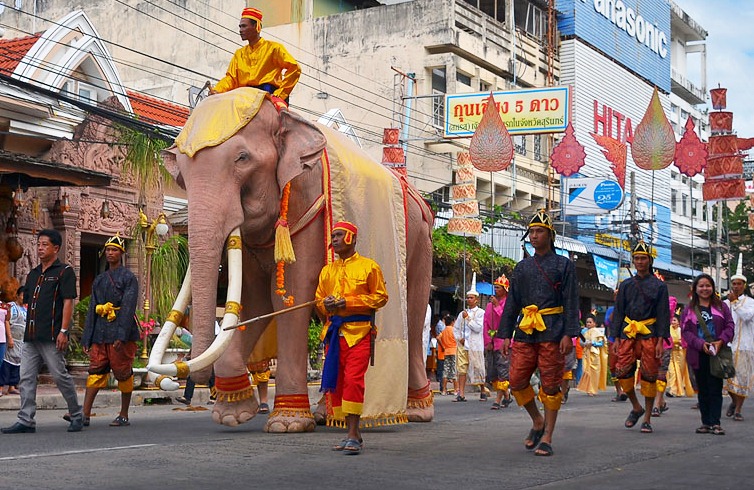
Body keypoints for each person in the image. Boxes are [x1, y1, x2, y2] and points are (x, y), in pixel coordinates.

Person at [497, 209, 579, 456]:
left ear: (550, 235)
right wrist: (504, 335)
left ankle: (548, 436)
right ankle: (537, 421)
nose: (534, 236)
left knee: (551, 384)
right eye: (531, 232)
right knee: (516, 379)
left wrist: (569, 334)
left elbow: (571, 302)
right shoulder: (522, 267)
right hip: (525, 331)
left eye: (539, 231)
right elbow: (512, 303)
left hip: (553, 331)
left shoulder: (564, 265)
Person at [317, 221, 388, 456]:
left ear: (352, 238)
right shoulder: (327, 271)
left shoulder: (369, 267)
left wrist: (348, 302)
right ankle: (353, 433)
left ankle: (352, 436)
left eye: (339, 235)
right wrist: (324, 304)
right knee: (337, 383)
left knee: (353, 380)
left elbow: (380, 297)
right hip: (334, 334)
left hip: (359, 332)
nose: (334, 239)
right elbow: (318, 300)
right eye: (333, 236)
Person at [1, 229, 83, 434]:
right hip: (31, 335)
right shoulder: (34, 274)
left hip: (52, 334)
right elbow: (26, 302)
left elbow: (67, 302)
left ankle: (76, 414)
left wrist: (64, 330)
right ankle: (26, 420)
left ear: (56, 248)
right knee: (26, 376)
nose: (40, 247)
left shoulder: (64, 272)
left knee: (59, 375)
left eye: (44, 244)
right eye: (38, 244)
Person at [79, 234, 140, 427]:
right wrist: (86, 337)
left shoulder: (129, 278)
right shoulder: (100, 279)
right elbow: (92, 309)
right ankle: (84, 414)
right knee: (95, 371)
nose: (110, 253)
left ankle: (124, 414)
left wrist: (121, 335)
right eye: (108, 250)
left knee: (123, 372)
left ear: (121, 253)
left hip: (121, 332)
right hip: (100, 331)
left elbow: (129, 307)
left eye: (114, 250)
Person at [610, 241, 670, 435]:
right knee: (622, 372)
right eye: (636, 258)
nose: (640, 261)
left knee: (649, 375)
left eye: (643, 258)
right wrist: (615, 338)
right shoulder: (626, 285)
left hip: (650, 334)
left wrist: (661, 340)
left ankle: (647, 418)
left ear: (650, 260)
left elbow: (663, 314)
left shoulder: (659, 286)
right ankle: (636, 406)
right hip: (628, 333)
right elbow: (618, 312)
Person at [681, 274, 735, 436]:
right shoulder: (689, 309)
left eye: (708, 285)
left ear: (712, 288)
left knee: (715, 388)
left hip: (716, 354)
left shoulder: (721, 307)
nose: (705, 289)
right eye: (701, 286)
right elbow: (686, 332)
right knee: (703, 389)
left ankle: (716, 423)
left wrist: (720, 342)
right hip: (698, 354)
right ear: (695, 289)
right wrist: (700, 344)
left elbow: (730, 326)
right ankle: (706, 422)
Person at [211, 7, 301, 103]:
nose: (240, 30)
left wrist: (280, 94)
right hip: (244, 97)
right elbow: (231, 79)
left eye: (244, 26)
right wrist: (217, 90)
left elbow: (295, 68)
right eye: (240, 26)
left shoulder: (274, 48)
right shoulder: (239, 54)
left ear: (256, 26)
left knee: (282, 113)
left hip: (268, 94)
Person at [724, 255, 754, 422]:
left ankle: (738, 410)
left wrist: (735, 302)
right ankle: (734, 402)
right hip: (728, 346)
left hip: (744, 346)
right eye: (734, 284)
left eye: (739, 284)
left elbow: (747, 316)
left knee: (741, 378)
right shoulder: (725, 303)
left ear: (744, 285)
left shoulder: (750, 302)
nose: (736, 286)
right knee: (726, 379)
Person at [454, 274, 486, 402]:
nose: (469, 299)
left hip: (475, 345)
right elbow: (456, 328)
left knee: (478, 367)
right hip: (463, 345)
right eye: (467, 298)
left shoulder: (480, 313)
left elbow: (478, 328)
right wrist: (459, 338)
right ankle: (461, 393)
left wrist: (468, 319)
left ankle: (483, 390)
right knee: (462, 369)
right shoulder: (462, 313)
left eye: (471, 298)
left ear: (476, 300)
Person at [483, 275, 511, 409]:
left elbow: (506, 319)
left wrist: (497, 305)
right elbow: (486, 324)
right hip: (492, 341)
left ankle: (497, 400)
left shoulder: (508, 303)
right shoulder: (489, 306)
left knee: (503, 372)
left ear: (505, 289)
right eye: (495, 288)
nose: (496, 290)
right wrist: (487, 341)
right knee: (492, 373)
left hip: (503, 341)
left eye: (498, 288)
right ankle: (506, 395)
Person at [0, 287, 25, 395]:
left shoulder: (25, 308)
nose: (24, 298)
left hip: (21, 340)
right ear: (18, 295)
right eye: (23, 295)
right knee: (6, 363)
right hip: (11, 339)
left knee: (17, 362)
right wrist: (10, 338)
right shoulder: (11, 306)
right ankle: (1, 387)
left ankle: (12, 386)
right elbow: (7, 322)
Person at [576, 314, 608, 396]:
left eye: (590, 322)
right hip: (586, 354)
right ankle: (588, 389)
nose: (588, 324)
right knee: (586, 371)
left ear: (594, 323)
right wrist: (584, 343)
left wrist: (593, 343)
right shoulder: (583, 332)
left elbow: (601, 343)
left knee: (594, 372)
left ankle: (593, 389)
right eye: (587, 322)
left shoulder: (597, 332)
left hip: (594, 355)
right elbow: (581, 342)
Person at [666, 309, 695, 398]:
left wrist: (679, 342)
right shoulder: (669, 329)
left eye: (674, 320)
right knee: (672, 371)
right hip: (671, 353)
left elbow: (685, 341)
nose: (672, 322)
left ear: (679, 322)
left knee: (679, 372)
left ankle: (677, 390)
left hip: (681, 353)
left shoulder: (681, 330)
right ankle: (673, 390)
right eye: (672, 320)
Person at [605, 290, 627, 402]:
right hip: (613, 340)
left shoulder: (629, 309)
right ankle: (619, 391)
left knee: (625, 365)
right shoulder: (611, 310)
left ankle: (626, 389)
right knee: (613, 366)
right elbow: (608, 322)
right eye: (616, 296)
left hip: (625, 341)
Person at [437, 314, 458, 396]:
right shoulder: (454, 330)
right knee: (454, 371)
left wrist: (442, 346)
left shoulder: (444, 330)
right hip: (454, 351)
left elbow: (438, 338)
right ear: (453, 322)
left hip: (446, 352)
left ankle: (444, 390)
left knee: (445, 371)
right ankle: (456, 389)